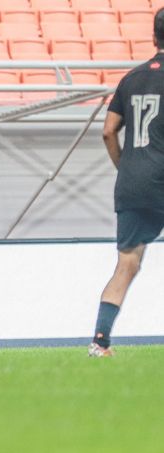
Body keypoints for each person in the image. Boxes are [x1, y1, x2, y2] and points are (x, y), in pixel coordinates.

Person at [88, 8, 164, 357]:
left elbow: (107, 132)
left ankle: (100, 342)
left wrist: (127, 167)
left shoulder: (131, 79)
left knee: (127, 264)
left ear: (153, 38)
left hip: (134, 183)